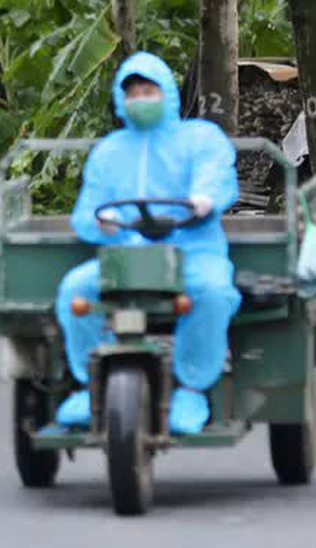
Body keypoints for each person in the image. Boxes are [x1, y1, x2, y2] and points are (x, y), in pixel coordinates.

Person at [55, 51, 242, 435]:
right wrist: (103, 222)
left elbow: (214, 175)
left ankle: (192, 389)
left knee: (212, 291)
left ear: (167, 93)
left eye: (148, 90)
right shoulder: (109, 151)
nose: (140, 99)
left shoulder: (200, 138)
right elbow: (87, 211)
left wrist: (203, 199)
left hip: (192, 253)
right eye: (133, 93)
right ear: (121, 99)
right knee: (75, 289)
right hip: (126, 257)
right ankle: (89, 384)